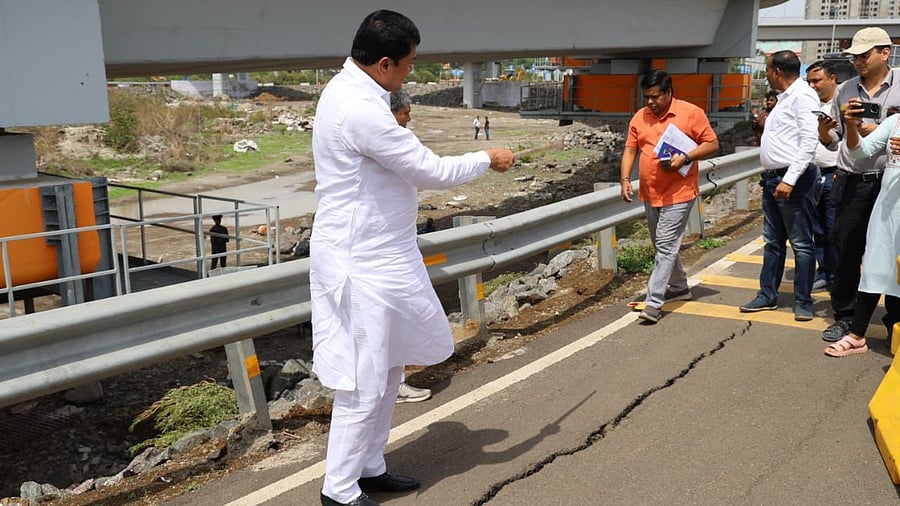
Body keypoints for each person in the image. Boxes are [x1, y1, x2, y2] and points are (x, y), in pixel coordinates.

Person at [310, 10, 514, 506]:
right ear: (383, 63)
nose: (410, 74)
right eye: (408, 65)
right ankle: (338, 490)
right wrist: (488, 157)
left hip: (385, 256)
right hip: (360, 262)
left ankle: (370, 466)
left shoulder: (360, 93)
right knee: (363, 376)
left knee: (389, 368)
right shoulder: (358, 108)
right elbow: (426, 168)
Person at [819, 27, 900, 342]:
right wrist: (826, 129)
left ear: (885, 52)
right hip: (854, 179)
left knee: (894, 252)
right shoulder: (847, 89)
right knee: (848, 249)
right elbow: (836, 139)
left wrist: (877, 127)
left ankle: (895, 318)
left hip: (891, 182)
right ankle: (846, 317)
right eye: (854, 56)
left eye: (864, 55)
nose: (858, 61)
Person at [620, 70, 719, 324]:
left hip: (679, 192)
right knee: (662, 245)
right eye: (646, 97)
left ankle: (654, 302)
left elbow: (711, 144)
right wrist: (624, 180)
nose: (650, 102)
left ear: (668, 92)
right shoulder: (640, 117)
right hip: (650, 192)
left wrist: (685, 158)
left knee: (665, 245)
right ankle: (679, 287)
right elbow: (631, 149)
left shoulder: (690, 113)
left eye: (655, 97)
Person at [739, 50, 820, 321]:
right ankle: (767, 294)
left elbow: (809, 142)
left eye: (768, 69)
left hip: (791, 180)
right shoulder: (785, 98)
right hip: (774, 178)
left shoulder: (803, 96)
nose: (767, 74)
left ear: (777, 72)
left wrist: (789, 179)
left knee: (801, 243)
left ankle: (803, 301)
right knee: (773, 241)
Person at [387, 88, 433, 404]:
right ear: (394, 112)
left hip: (395, 245)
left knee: (395, 320)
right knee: (392, 320)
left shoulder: (396, 138)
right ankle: (392, 387)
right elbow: (433, 172)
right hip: (386, 252)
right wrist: (485, 159)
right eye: (407, 111)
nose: (410, 116)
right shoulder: (387, 140)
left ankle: (392, 385)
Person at [806, 60, 840, 293]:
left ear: (832, 79)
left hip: (835, 175)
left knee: (834, 230)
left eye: (816, 80)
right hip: (812, 176)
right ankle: (825, 272)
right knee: (817, 230)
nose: (812, 85)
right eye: (808, 81)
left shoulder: (843, 105)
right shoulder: (809, 105)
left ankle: (838, 275)